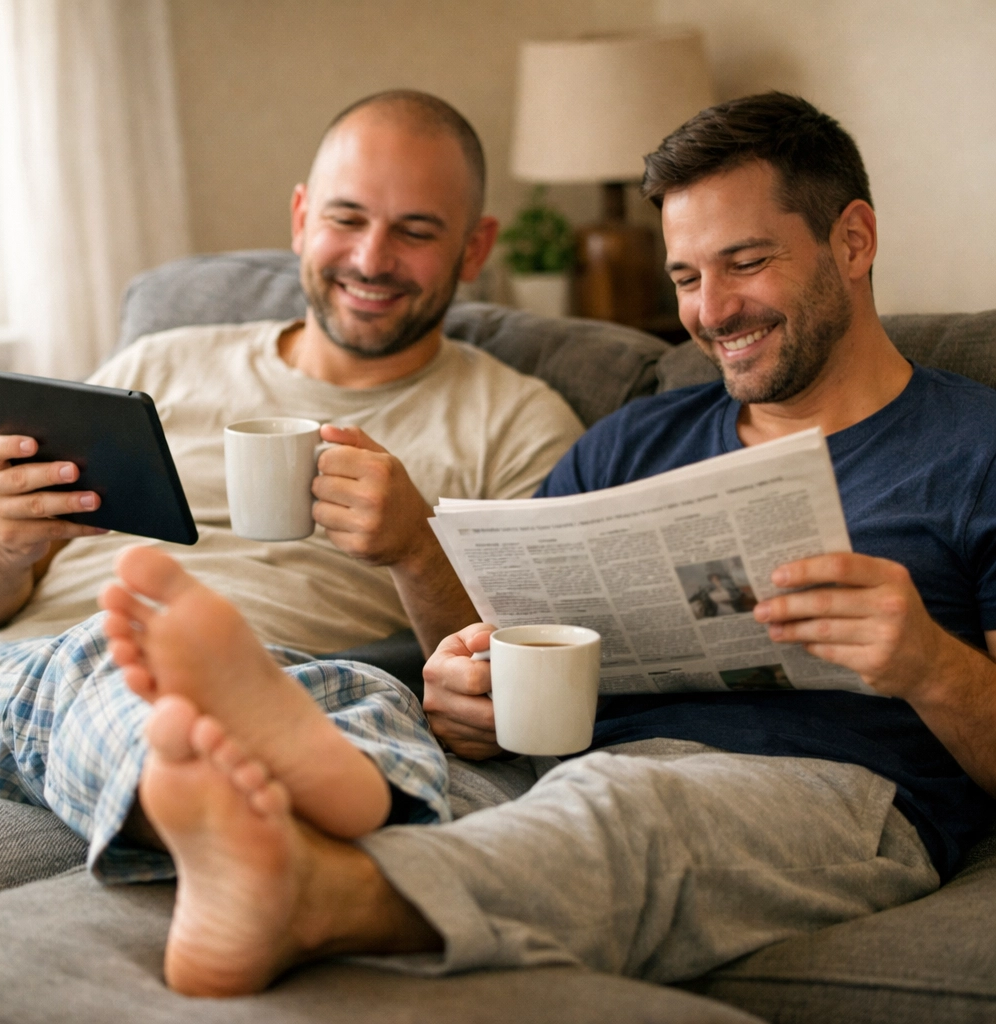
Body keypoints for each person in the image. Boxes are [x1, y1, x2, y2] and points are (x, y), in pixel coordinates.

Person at [93, 92, 996, 999]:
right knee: (398, 764)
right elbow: (492, 635)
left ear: (853, 241)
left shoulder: (976, 449)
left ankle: (311, 898)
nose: (711, 311)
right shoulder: (632, 441)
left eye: (746, 263)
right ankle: (279, 845)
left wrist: (930, 665)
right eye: (685, 278)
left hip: (832, 795)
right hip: (566, 769)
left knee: (634, 810)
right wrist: (462, 692)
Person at [0, 93, 582, 878]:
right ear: (300, 218)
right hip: (40, 659)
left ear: (474, 248)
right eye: (346, 219)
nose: (370, 259)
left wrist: (418, 549)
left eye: (416, 231)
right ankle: (252, 807)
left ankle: (243, 804)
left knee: (363, 708)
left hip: (314, 680)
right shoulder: (156, 364)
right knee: (112, 656)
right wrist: (1, 545)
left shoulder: (521, 423)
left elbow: (517, 678)